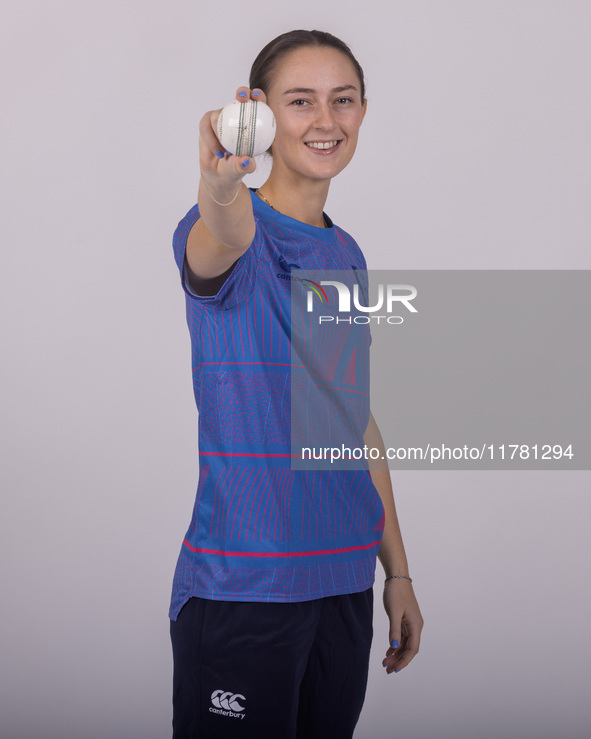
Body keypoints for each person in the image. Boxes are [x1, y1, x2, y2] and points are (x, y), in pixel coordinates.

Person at [169, 29, 424, 739]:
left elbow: (353, 420)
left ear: (362, 114)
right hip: (247, 590)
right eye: (299, 101)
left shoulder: (344, 252)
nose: (324, 120)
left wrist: (396, 573)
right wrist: (220, 186)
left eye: (341, 101)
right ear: (261, 115)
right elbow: (219, 234)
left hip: (344, 582)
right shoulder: (228, 228)